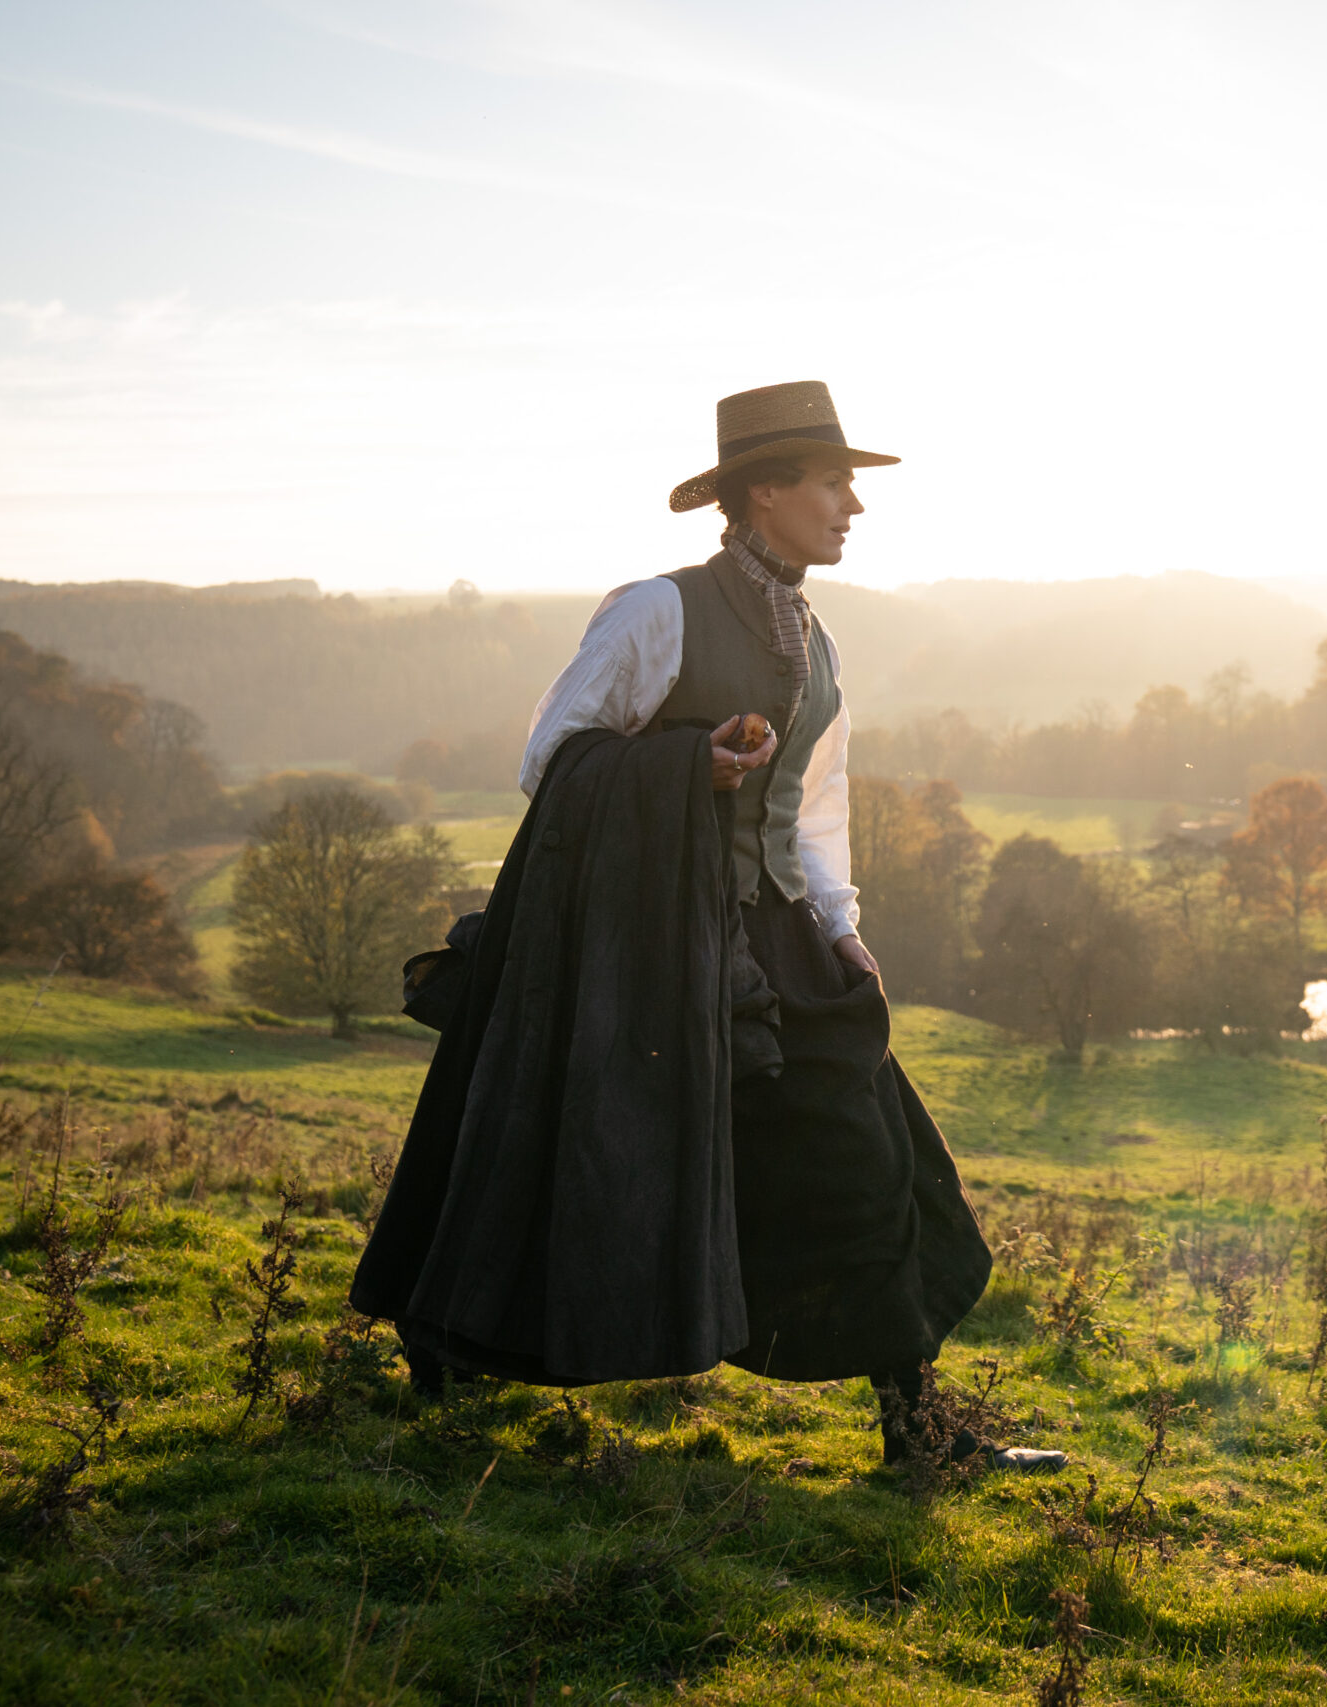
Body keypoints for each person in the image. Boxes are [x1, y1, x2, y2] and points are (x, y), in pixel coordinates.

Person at [352, 381, 997, 1469]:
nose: (854, 506)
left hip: (772, 934)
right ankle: (447, 1350)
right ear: (765, 491)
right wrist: (680, 767)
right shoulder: (656, 610)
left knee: (868, 1155)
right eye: (835, 483)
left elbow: (816, 802)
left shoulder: (819, 642)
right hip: (644, 939)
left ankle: (918, 1432)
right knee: (579, 1151)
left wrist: (837, 922)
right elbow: (553, 760)